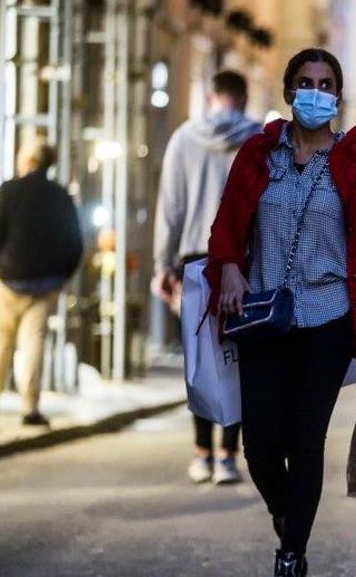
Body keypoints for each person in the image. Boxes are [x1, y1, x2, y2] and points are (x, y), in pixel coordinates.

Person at [204, 48, 356, 577]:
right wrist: (227, 266)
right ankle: (287, 515)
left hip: (328, 318)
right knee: (260, 445)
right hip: (262, 314)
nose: (316, 91)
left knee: (304, 437)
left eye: (326, 83)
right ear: (289, 92)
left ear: (338, 94)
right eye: (306, 82)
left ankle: (291, 554)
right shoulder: (255, 154)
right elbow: (225, 226)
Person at [153, 69, 260, 486]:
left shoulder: (184, 138)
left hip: (196, 258)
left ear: (211, 96)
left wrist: (163, 264)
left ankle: (200, 453)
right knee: (237, 358)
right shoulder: (257, 139)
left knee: (199, 358)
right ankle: (228, 456)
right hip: (246, 259)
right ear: (243, 98)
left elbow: (171, 207)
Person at [0, 139, 82, 427]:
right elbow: (75, 243)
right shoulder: (61, 196)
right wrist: (61, 278)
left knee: (0, 339)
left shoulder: (9, 191)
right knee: (34, 344)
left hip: (6, 281)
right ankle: (29, 407)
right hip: (45, 284)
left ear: (28, 161)